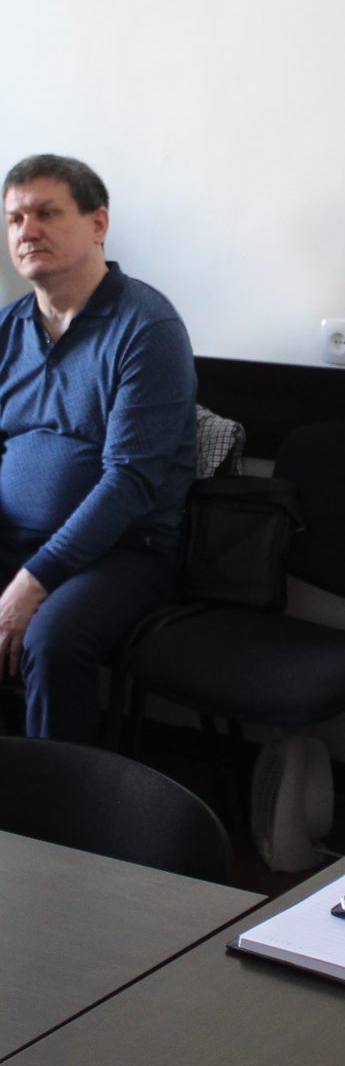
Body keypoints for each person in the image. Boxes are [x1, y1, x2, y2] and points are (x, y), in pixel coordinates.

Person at [0, 153, 197, 743]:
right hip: (16, 539)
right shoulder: (8, 328)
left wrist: (33, 579)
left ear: (98, 223)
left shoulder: (147, 327)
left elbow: (129, 483)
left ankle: (57, 801)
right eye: (14, 219)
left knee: (50, 640)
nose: (27, 231)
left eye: (47, 213)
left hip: (123, 553)